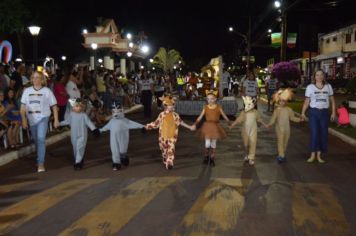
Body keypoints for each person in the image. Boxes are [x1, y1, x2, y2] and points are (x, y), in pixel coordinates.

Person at [20, 71, 59, 172]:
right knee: (37, 141)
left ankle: (41, 163)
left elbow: (54, 106)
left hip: (43, 117)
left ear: (42, 79)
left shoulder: (47, 91)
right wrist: (24, 119)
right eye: (34, 78)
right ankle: (39, 158)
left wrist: (56, 120)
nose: (36, 79)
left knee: (41, 139)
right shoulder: (27, 91)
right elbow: (22, 108)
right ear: (31, 79)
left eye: (38, 78)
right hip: (32, 120)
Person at [144, 95, 195, 170]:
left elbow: (181, 122)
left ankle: (170, 162)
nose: (171, 107)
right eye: (169, 105)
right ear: (165, 106)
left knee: (171, 149)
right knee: (164, 150)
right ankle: (165, 158)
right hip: (163, 137)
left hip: (172, 136)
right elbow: (156, 123)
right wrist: (146, 127)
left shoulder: (175, 115)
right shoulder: (162, 115)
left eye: (172, 105)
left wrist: (190, 127)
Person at [301, 69, 336, 163]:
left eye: (321, 75)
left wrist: (333, 112)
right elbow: (307, 102)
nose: (319, 77)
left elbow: (332, 100)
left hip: (324, 113)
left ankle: (319, 155)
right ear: (314, 76)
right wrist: (303, 113)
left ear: (324, 76)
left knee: (323, 134)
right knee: (314, 133)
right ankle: (312, 154)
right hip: (313, 113)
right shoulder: (310, 87)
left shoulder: (328, 87)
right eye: (317, 75)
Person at [100, 102, 144, 170]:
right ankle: (116, 163)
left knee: (122, 150)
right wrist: (99, 131)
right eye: (114, 111)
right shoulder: (112, 121)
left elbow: (133, 124)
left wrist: (142, 127)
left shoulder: (125, 121)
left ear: (121, 111)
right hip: (113, 139)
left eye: (118, 111)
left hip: (123, 138)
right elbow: (106, 127)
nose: (116, 113)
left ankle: (124, 157)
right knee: (114, 150)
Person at [60, 98, 99, 170]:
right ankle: (79, 160)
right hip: (74, 135)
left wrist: (94, 129)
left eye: (80, 106)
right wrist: (59, 124)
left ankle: (77, 163)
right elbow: (67, 121)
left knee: (80, 147)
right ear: (73, 107)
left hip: (82, 135)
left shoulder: (83, 115)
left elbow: (89, 123)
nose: (79, 108)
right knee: (75, 148)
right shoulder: (71, 115)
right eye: (77, 106)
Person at [194, 90, 230, 166]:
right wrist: (195, 124)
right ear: (206, 100)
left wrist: (228, 121)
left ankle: (212, 157)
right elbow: (200, 117)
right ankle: (206, 156)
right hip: (207, 127)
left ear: (215, 99)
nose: (210, 100)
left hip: (215, 127)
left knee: (213, 144)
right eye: (208, 99)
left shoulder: (218, 107)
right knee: (207, 144)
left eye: (212, 99)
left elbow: (224, 115)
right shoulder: (205, 107)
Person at [229, 96, 267, 166]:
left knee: (253, 143)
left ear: (254, 105)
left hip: (253, 131)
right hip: (245, 131)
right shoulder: (244, 113)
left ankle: (251, 158)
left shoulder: (256, 112)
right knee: (245, 144)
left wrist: (265, 125)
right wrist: (232, 125)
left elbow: (259, 119)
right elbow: (238, 120)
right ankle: (246, 154)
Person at [266, 88, 301, 163]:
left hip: (287, 129)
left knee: (285, 142)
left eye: (284, 101)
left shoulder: (289, 110)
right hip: (279, 129)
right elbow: (273, 119)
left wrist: (299, 119)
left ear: (286, 101)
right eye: (281, 101)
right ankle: (281, 155)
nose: (282, 103)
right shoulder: (277, 110)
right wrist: (269, 124)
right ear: (278, 101)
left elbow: (292, 118)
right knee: (280, 142)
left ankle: (282, 153)